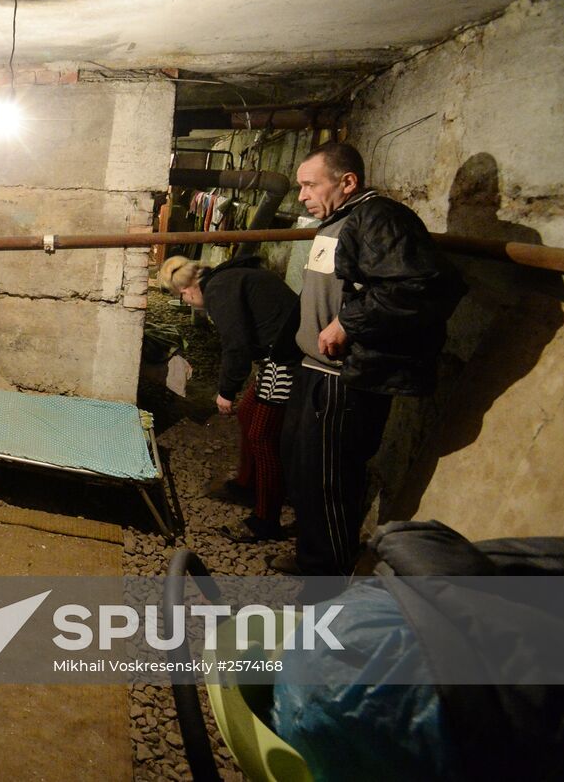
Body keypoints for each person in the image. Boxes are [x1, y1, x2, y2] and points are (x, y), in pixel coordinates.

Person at [277, 141, 464, 576]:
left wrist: (348, 324)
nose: (301, 196)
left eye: (309, 185)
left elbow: (421, 286)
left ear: (347, 181)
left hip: (345, 377)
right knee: (305, 469)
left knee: (330, 481)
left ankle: (329, 577)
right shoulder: (337, 220)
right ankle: (314, 557)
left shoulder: (382, 218)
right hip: (314, 369)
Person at [159, 253, 300, 542]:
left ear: (186, 291)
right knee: (249, 413)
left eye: (183, 299)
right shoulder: (225, 278)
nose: (188, 305)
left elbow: (235, 345)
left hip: (288, 360)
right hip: (278, 354)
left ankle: (266, 520)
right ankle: (247, 484)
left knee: (262, 435)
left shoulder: (220, 289)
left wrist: (226, 391)